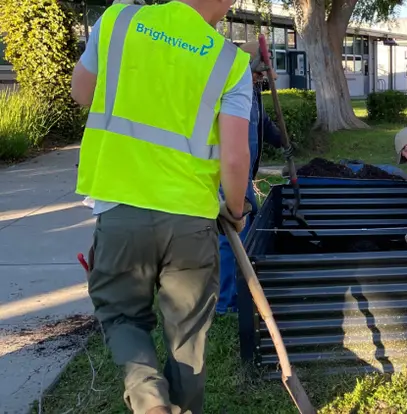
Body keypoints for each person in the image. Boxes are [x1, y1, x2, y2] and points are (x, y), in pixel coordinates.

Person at [70, 0, 253, 413]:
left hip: (121, 209)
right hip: (190, 220)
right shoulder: (230, 62)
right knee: (188, 337)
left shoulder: (118, 20)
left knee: (122, 318)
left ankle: (150, 399)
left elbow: (81, 92)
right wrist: (236, 210)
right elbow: (236, 156)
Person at [216, 41, 283, 315]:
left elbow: (263, 123)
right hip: (228, 171)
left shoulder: (252, 91)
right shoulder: (228, 88)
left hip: (244, 172)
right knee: (231, 235)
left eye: (261, 77)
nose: (259, 80)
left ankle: (242, 292)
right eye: (257, 75)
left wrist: (282, 141)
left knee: (247, 229)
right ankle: (227, 303)